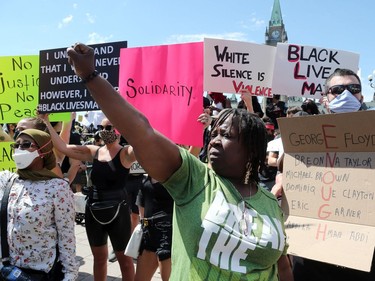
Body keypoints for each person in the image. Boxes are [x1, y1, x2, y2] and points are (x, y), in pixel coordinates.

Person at [66, 42, 293, 281]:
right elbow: (142, 132)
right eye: (213, 133)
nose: (214, 141)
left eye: (226, 135)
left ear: (252, 149)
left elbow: (284, 267)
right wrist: (90, 76)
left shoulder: (269, 203)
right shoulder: (195, 179)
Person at [272, 68, 374, 281]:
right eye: (337, 90)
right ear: (325, 99)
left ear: (361, 97)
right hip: (312, 253)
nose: (345, 95)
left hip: (363, 255)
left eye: (353, 89)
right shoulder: (303, 137)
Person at [43, 115, 136, 281]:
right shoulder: (94, 151)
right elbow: (63, 148)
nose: (105, 131)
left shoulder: (126, 153)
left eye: (109, 127)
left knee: (126, 262)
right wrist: (46, 122)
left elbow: (144, 145)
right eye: (102, 127)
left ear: (119, 130)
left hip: (118, 211)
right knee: (99, 259)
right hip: (93, 210)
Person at [0, 129, 78, 280]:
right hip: (8, 270)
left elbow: (66, 235)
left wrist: (70, 274)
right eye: (16, 145)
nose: (19, 149)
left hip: (41, 273)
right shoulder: (8, 181)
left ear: (43, 151)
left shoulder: (58, 187)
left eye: (26, 145)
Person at [134, 176, 173, 281]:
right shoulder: (146, 179)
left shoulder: (173, 174)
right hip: (149, 233)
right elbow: (142, 209)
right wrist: (144, 226)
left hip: (167, 234)